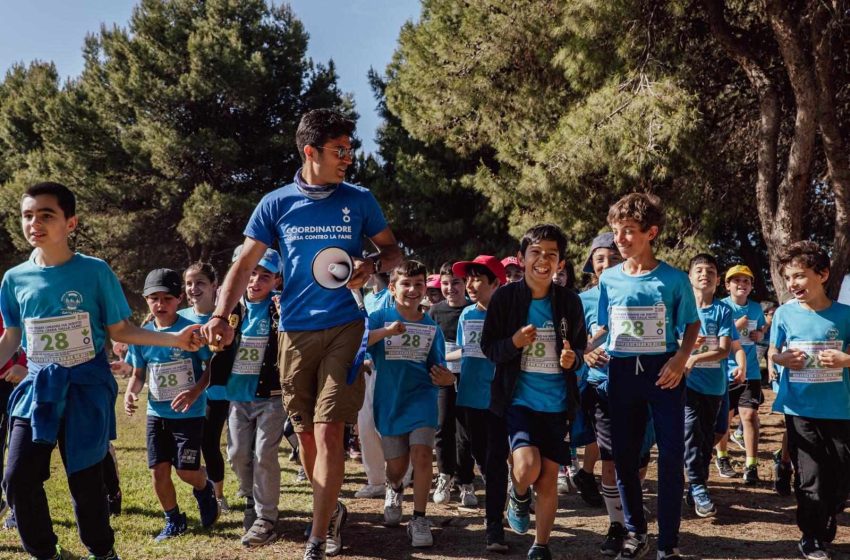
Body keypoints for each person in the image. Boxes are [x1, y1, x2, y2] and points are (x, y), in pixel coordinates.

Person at [202, 109, 401, 560]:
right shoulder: (276, 204)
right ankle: (331, 512)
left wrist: (371, 265)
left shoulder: (360, 199)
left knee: (330, 432)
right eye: (339, 150)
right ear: (310, 152)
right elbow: (244, 265)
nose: (348, 157)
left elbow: (393, 251)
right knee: (307, 436)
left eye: (350, 149)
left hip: (346, 328)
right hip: (294, 332)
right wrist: (219, 315)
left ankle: (317, 535)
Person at [0, 182, 203, 560]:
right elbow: (12, 337)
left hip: (86, 387)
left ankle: (103, 551)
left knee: (85, 480)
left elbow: (121, 331)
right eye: (28, 215)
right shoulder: (14, 279)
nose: (35, 223)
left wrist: (176, 340)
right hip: (38, 391)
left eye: (46, 215)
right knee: (18, 477)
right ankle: (45, 552)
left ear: (70, 222)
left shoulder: (95, 272)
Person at [595, 193, 700, 560]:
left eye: (628, 232)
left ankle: (667, 543)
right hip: (622, 373)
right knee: (624, 458)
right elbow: (603, 325)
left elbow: (691, 323)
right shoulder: (609, 278)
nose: (619, 239)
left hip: (664, 373)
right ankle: (635, 532)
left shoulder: (673, 278)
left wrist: (682, 358)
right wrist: (583, 346)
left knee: (671, 458)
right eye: (615, 232)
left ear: (650, 232)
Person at [481, 224, 587, 560]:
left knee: (550, 477)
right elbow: (489, 348)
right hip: (518, 399)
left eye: (551, 255)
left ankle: (541, 545)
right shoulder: (505, 297)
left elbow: (580, 351)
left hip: (556, 403)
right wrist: (514, 343)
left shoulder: (569, 302)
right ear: (523, 257)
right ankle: (518, 492)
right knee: (526, 466)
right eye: (536, 252)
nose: (543, 260)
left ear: (560, 263)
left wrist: (572, 359)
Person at [769, 241, 850, 560]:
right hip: (799, 407)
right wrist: (782, 359)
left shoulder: (844, 315)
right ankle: (811, 537)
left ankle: (831, 509)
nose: (792, 284)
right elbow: (773, 353)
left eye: (800, 276)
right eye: (788, 278)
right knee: (811, 475)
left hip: (841, 408)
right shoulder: (784, 314)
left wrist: (845, 360)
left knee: (842, 474)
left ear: (823, 274)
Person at [124, 268, 219, 542]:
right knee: (159, 470)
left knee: (187, 471)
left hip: (189, 412)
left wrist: (194, 392)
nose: (160, 304)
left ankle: (205, 488)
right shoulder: (141, 336)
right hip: (157, 413)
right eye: (154, 298)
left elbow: (211, 367)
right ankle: (174, 519)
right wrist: (131, 392)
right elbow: (138, 374)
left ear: (179, 299)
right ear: (146, 300)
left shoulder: (190, 331)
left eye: (167, 298)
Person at [367, 260, 452, 548]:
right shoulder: (378, 317)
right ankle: (394, 487)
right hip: (389, 400)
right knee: (397, 466)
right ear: (392, 287)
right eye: (406, 283)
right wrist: (388, 332)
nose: (413, 289)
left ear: (426, 288)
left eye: (419, 284)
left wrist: (445, 378)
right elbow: (358, 342)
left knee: (423, 455)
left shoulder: (431, 326)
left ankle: (419, 518)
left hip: (422, 398)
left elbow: (438, 365)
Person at [215, 249, 286, 547]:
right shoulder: (230, 308)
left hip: (272, 396)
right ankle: (249, 499)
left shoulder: (280, 309)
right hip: (238, 396)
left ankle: (266, 517)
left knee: (264, 455)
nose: (256, 280)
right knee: (237, 454)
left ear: (276, 280)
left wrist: (286, 317)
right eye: (251, 273)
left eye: (265, 275)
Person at [449, 257, 506, 514]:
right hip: (470, 393)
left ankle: (510, 497)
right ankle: (496, 486)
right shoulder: (466, 313)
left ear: (496, 283)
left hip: (499, 395)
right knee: (479, 451)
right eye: (468, 278)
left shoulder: (508, 316)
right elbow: (464, 351)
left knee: (500, 452)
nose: (470, 285)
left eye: (478, 279)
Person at [680, 254, 735, 518]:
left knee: (708, 438)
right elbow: (667, 343)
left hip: (715, 387)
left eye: (711, 270)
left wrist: (695, 355)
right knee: (691, 432)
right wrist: (686, 346)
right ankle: (699, 486)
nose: (705, 274)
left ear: (718, 279)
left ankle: (694, 484)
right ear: (689, 277)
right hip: (685, 385)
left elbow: (724, 350)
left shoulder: (723, 310)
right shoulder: (679, 306)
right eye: (699, 270)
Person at [178, 262, 231, 514]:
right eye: (189, 283)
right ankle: (204, 487)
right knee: (191, 445)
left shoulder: (225, 317)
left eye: (199, 283)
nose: (193, 288)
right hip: (184, 393)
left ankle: (218, 495)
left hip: (215, 392)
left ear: (214, 286)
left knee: (209, 444)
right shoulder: (181, 318)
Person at [719, 265, 766, 484]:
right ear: (727, 285)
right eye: (736, 280)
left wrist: (759, 333)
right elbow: (714, 340)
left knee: (749, 415)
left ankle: (751, 464)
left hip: (751, 371)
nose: (741, 284)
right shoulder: (721, 307)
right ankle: (723, 457)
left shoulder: (756, 308)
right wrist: (734, 328)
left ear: (751, 286)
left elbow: (762, 329)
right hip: (723, 371)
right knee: (724, 420)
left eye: (746, 281)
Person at [429, 262, 468, 504]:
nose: (450, 288)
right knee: (443, 427)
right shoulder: (434, 312)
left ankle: (465, 481)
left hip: (468, 378)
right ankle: (444, 475)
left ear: (465, 284)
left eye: (456, 283)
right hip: (442, 377)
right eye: (445, 283)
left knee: (466, 432)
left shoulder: (473, 310)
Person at [355, 272, 393, 499]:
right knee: (366, 426)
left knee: (387, 427)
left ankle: (399, 477)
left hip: (386, 369)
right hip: (365, 369)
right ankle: (376, 481)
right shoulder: (367, 296)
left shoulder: (390, 295)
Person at [0, 314, 26, 527]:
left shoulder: (4, 300)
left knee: (14, 451)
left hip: (2, 381)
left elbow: (28, 330)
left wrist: (24, 364)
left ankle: (18, 508)